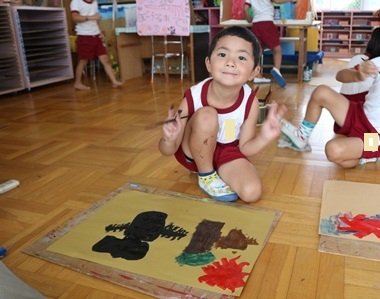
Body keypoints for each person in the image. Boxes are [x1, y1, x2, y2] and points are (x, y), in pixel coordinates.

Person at [158, 26, 285, 203]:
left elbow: (245, 148)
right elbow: (168, 150)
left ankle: (218, 171)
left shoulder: (251, 101)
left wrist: (264, 137)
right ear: (209, 63)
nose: (230, 62)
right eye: (223, 54)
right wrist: (169, 139)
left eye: (241, 57)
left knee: (251, 192)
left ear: (254, 71)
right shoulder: (194, 95)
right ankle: (206, 175)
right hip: (194, 154)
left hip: (227, 151)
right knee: (207, 115)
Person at [279, 56, 380, 168]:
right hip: (359, 114)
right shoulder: (378, 62)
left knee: (333, 151)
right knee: (321, 92)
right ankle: (302, 136)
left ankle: (366, 155)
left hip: (375, 137)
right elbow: (340, 75)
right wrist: (358, 75)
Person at [70, 0, 122, 90]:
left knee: (105, 59)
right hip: (84, 36)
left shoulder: (94, 2)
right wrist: (91, 17)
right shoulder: (76, 2)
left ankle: (114, 81)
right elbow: (75, 17)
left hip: (96, 35)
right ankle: (77, 83)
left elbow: (96, 19)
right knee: (83, 61)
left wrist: (100, 31)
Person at [244, 0, 296, 87]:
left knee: (258, 51)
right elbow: (277, 1)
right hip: (267, 22)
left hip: (256, 24)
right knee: (277, 49)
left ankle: (257, 76)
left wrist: (249, 19)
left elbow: (245, 9)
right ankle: (276, 70)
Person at [337, 27, 380, 102]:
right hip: (361, 106)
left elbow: (339, 76)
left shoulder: (358, 58)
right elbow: (339, 76)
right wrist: (358, 75)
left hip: (342, 103)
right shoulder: (373, 63)